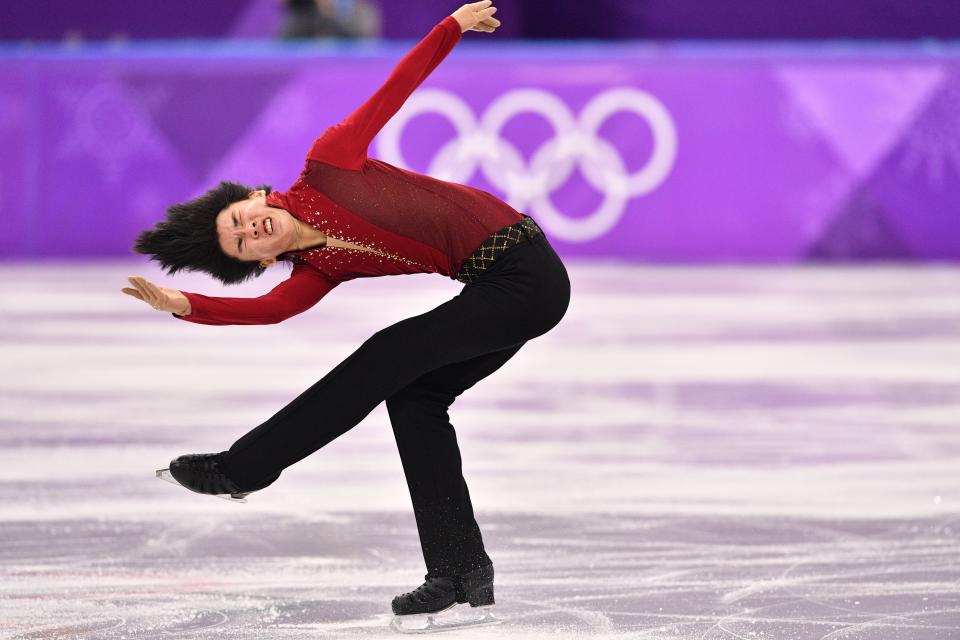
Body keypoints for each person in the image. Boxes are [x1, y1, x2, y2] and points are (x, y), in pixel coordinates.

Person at [123, 1, 569, 629]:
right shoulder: (318, 271)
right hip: (499, 289)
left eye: (239, 220)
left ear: (253, 197)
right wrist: (184, 305)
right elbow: (270, 312)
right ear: (258, 258)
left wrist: (452, 27)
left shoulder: (328, 163)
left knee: (387, 358)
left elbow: (394, 90)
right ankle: (459, 568)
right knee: (414, 400)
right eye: (244, 243)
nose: (251, 229)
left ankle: (244, 467)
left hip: (525, 271)